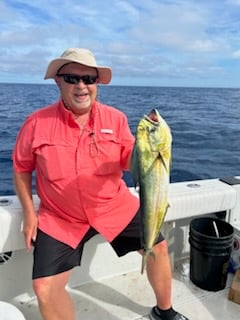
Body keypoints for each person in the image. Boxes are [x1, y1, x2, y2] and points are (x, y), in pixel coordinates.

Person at [12, 48, 189, 320]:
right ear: (58, 81)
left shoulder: (116, 119)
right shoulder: (35, 123)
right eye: (72, 78)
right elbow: (22, 168)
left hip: (112, 205)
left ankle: (164, 311)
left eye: (89, 79)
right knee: (44, 287)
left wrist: (153, 146)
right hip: (61, 218)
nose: (82, 86)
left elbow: (132, 162)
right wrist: (28, 211)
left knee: (159, 247)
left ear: (97, 83)